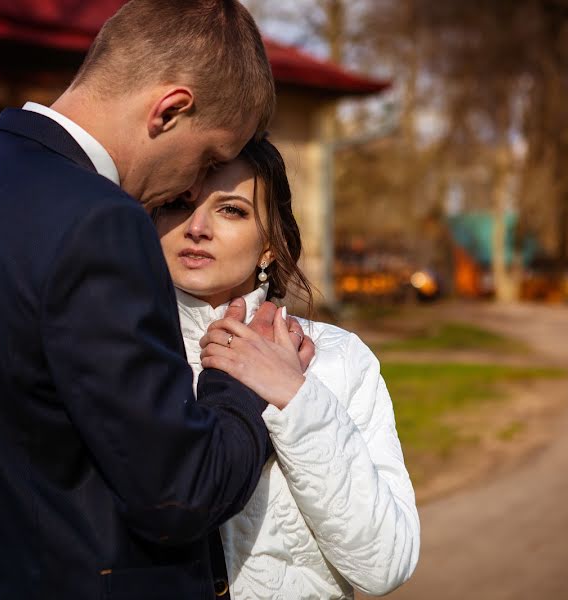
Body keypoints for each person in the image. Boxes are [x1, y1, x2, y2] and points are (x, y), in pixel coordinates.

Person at [0, 2, 314, 598]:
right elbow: (180, 491)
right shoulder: (99, 222)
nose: (194, 187)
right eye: (211, 157)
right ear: (170, 110)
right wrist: (238, 382)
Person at [154, 137, 421, 599]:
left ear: (270, 247)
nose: (197, 227)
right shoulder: (116, 350)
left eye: (231, 210)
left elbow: (386, 563)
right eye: (181, 203)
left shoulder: (339, 357)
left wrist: (295, 398)